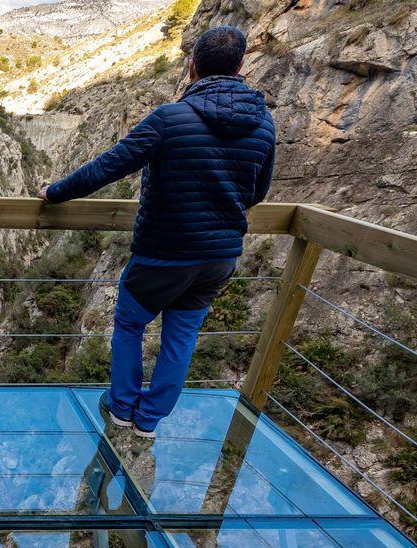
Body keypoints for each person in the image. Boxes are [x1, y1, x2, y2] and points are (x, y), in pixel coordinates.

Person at [38, 26, 275, 438]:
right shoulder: (264, 126)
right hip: (218, 257)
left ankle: (122, 408)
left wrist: (55, 192)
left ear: (192, 66)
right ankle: (149, 421)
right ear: (241, 67)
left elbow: (108, 167)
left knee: (130, 325)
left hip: (163, 252)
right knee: (181, 337)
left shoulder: (170, 119)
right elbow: (256, 192)